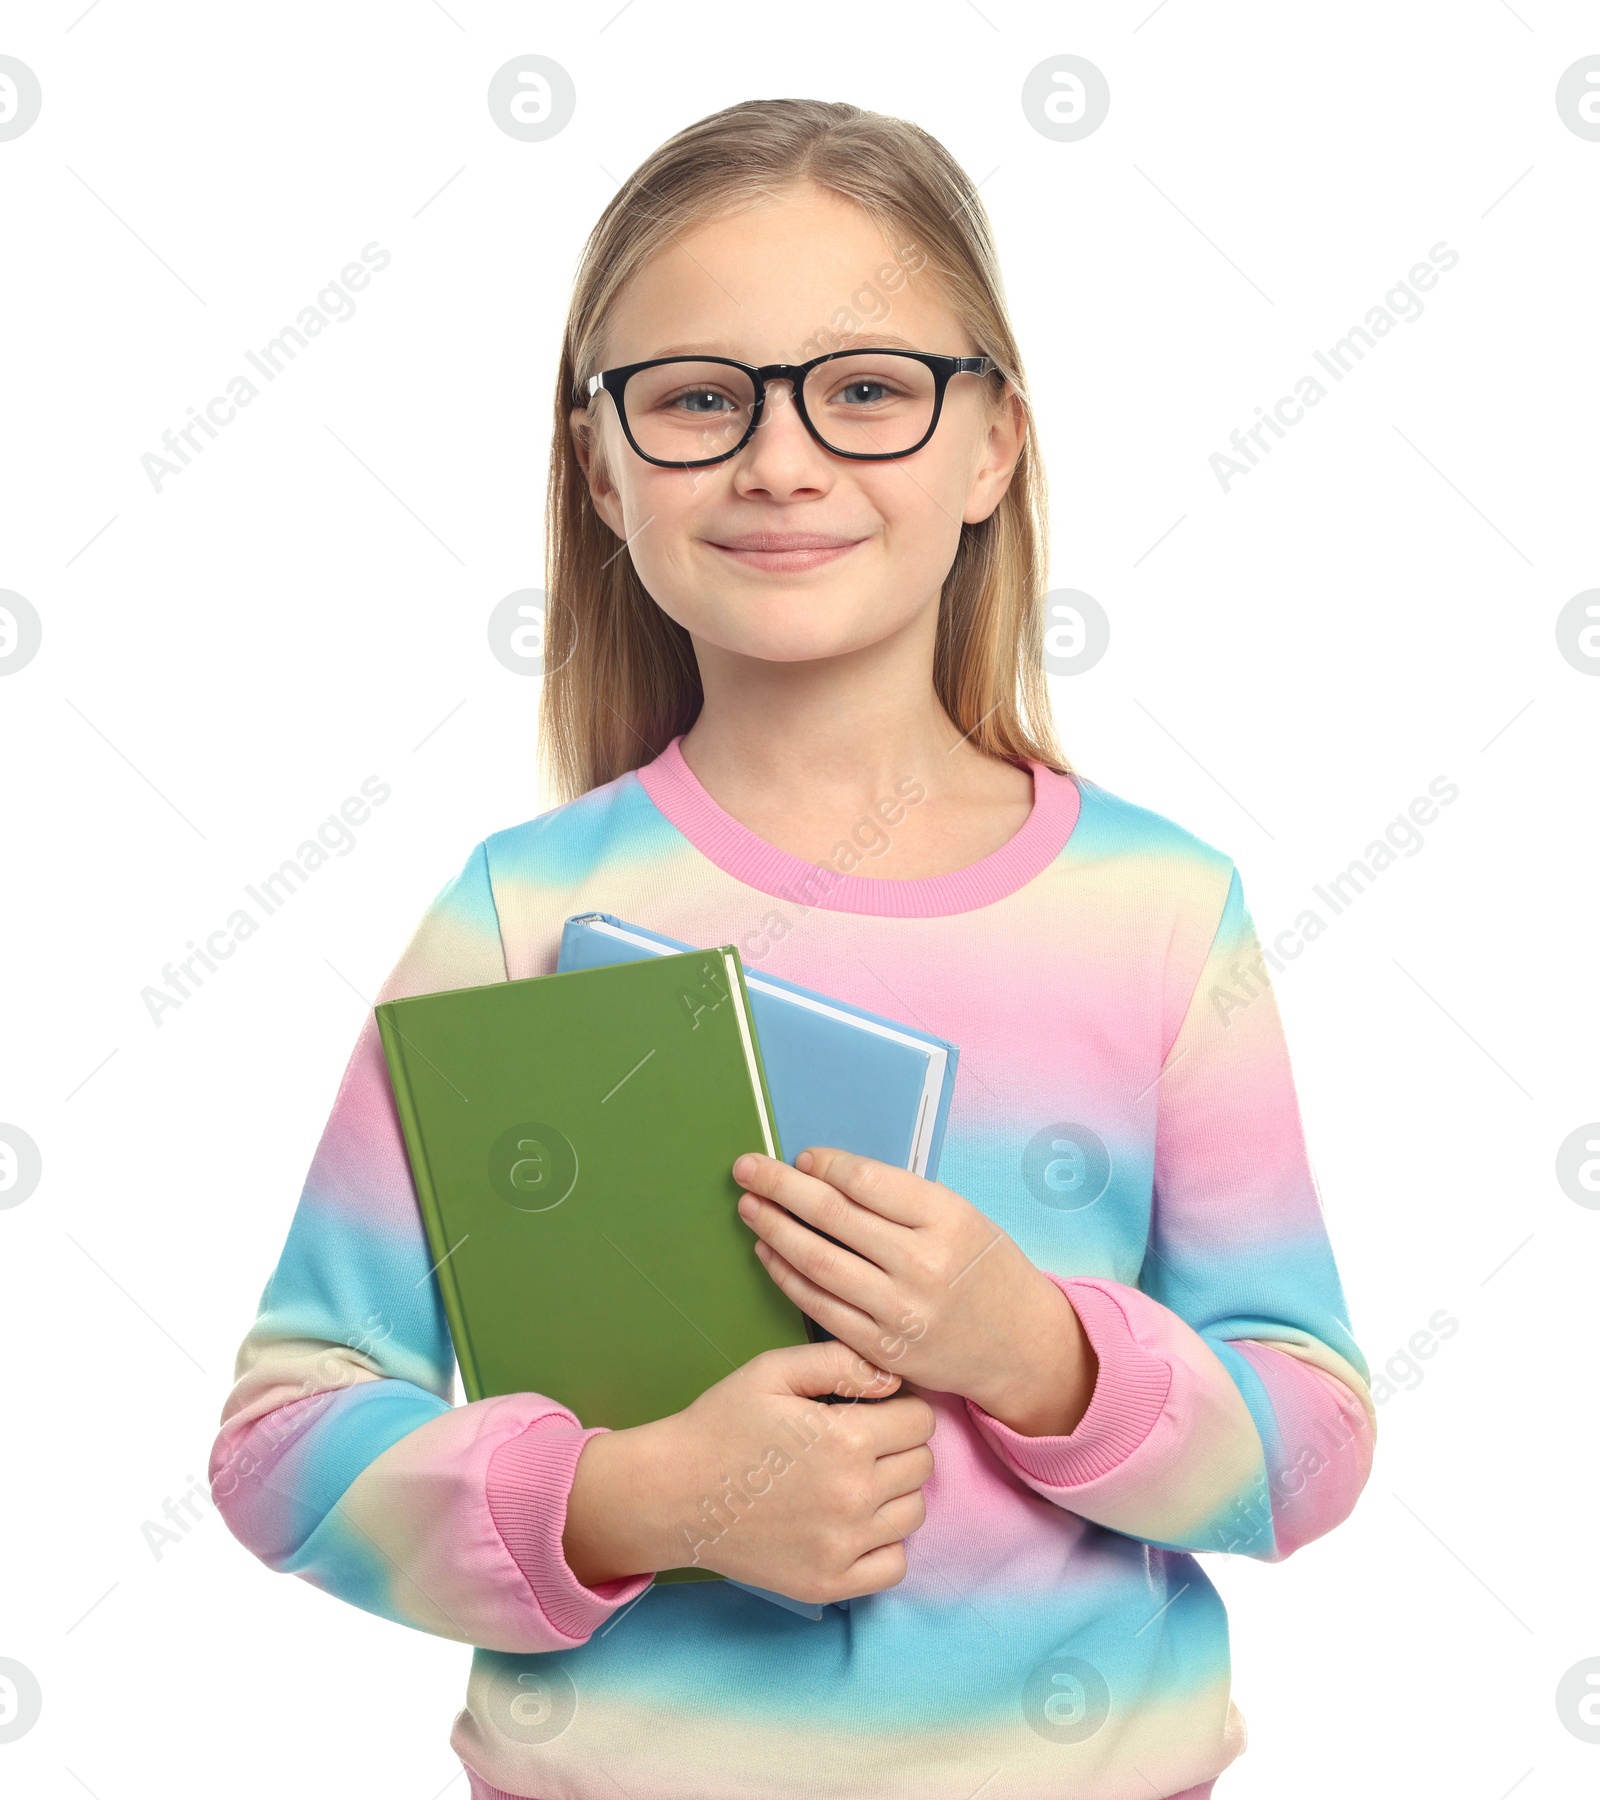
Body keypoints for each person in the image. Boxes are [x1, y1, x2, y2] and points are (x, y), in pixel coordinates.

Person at [210, 97, 1376, 1800]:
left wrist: (1035, 1351)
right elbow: (285, 1439)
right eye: (696, 398)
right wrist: (643, 1501)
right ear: (601, 467)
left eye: (869, 390)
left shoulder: (1161, 913)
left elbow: (1313, 1444)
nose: (781, 458)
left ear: (992, 447)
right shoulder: (517, 919)